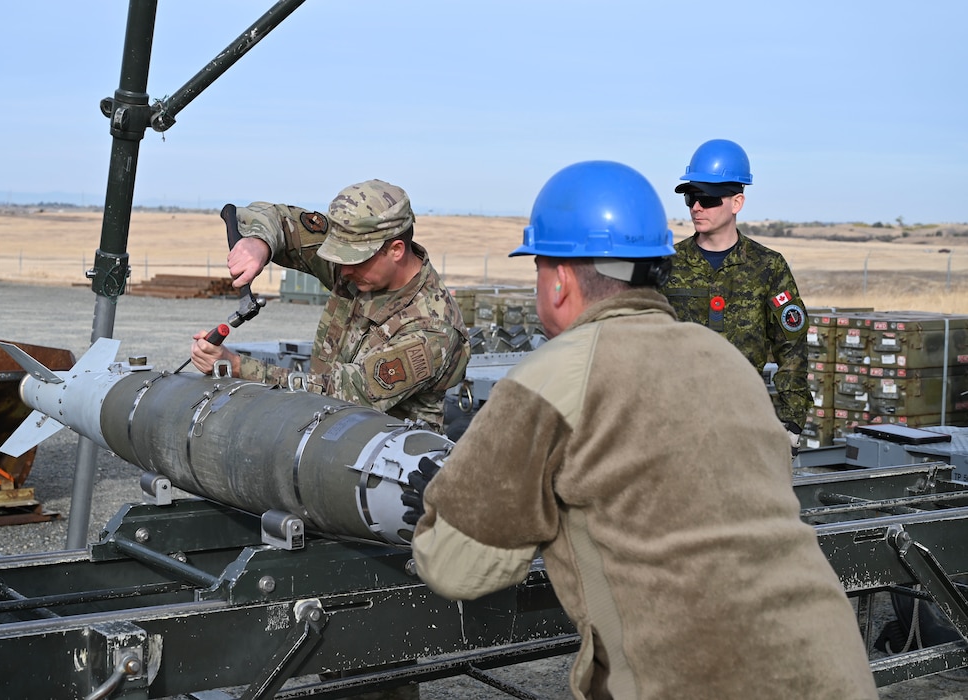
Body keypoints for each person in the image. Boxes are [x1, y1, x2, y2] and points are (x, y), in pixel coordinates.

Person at [403, 161, 878, 699]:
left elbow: (459, 566)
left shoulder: (552, 378)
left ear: (558, 281)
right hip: (834, 674)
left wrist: (448, 500)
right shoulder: (726, 363)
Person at [190, 179, 470, 434]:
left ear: (395, 250)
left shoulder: (433, 329)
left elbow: (346, 393)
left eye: (353, 260)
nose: (342, 271)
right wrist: (261, 243)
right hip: (325, 437)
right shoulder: (358, 260)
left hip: (384, 466)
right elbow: (279, 219)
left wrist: (238, 367)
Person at [659, 139, 811, 453]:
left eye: (708, 199)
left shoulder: (767, 267)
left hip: (743, 423)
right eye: (691, 197)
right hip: (674, 422)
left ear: (736, 203)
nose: (696, 207)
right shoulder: (667, 264)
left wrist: (791, 420)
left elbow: (792, 348)